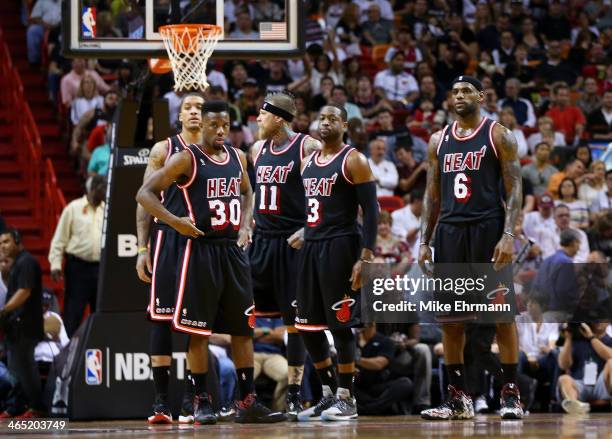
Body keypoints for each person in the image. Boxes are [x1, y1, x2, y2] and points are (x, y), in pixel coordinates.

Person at [136, 101, 285, 424]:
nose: (220, 131)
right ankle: (201, 400)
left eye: (225, 126)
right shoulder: (184, 157)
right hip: (200, 251)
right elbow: (145, 194)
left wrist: (246, 223)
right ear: (201, 126)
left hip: (231, 251)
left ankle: (248, 402)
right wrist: (175, 222)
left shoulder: (238, 156)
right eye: (214, 125)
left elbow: (249, 192)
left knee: (243, 329)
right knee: (198, 332)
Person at [419, 76, 524, 420]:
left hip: (487, 230)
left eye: (467, 91)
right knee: (451, 321)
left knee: (501, 316)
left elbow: (515, 187)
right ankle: (458, 398)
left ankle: (511, 394)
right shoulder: (438, 140)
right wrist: (424, 240)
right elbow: (431, 194)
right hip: (449, 232)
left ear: (481, 96)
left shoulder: (498, 135)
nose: (460, 95)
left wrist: (509, 234)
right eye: (455, 91)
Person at [295, 104, 378, 421]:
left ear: (344, 125)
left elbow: (371, 211)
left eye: (332, 118)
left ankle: (348, 397)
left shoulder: (353, 160)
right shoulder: (306, 163)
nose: (325, 122)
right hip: (312, 247)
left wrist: (365, 256)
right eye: (322, 117)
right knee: (306, 325)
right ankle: (328, 394)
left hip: (342, 246)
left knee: (341, 325)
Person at [135, 92, 205, 424]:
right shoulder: (164, 150)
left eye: (200, 108)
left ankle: (195, 400)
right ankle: (161, 403)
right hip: (167, 239)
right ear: (180, 117)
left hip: (203, 244)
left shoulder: (219, 151)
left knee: (197, 322)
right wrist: (142, 249)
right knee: (162, 320)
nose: (195, 112)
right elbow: (143, 201)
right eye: (189, 108)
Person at [250, 91, 320, 420]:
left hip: (292, 243)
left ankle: (294, 395)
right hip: (261, 242)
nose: (257, 120)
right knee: (243, 314)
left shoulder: (307, 147)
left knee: (295, 324)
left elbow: (327, 191)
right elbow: (251, 192)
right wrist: (245, 225)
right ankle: (244, 397)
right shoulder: (256, 150)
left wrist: (310, 228)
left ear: (278, 117)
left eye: (262, 115)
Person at [48, 175, 106, 337]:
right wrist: (55, 264)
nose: (105, 191)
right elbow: (59, 239)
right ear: (92, 189)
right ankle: (67, 353)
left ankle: (98, 346)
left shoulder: (106, 210)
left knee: (99, 312)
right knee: (73, 312)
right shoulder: (73, 208)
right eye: (102, 188)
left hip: (101, 268)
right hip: (77, 268)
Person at [0, 229, 45, 417]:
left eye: (6, 242)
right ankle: (16, 406)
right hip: (15, 327)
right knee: (14, 369)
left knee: (25, 368)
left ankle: (38, 408)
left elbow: (25, 291)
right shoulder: (17, 263)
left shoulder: (27, 262)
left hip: (26, 326)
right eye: (0, 243)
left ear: (17, 241)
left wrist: (5, 310)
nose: (2, 246)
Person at [354, 323, 413, 415]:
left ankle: (368, 409)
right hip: (357, 386)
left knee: (405, 383)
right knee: (341, 382)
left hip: (378, 386)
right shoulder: (351, 340)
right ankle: (378, 408)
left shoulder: (385, 341)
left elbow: (379, 364)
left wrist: (354, 359)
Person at [557, 321, 612, 414]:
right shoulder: (576, 341)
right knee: (563, 379)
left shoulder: (609, 340)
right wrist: (568, 338)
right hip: (580, 384)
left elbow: (609, 355)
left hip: (601, 385)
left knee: (611, 363)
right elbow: (563, 365)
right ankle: (574, 405)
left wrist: (592, 338)